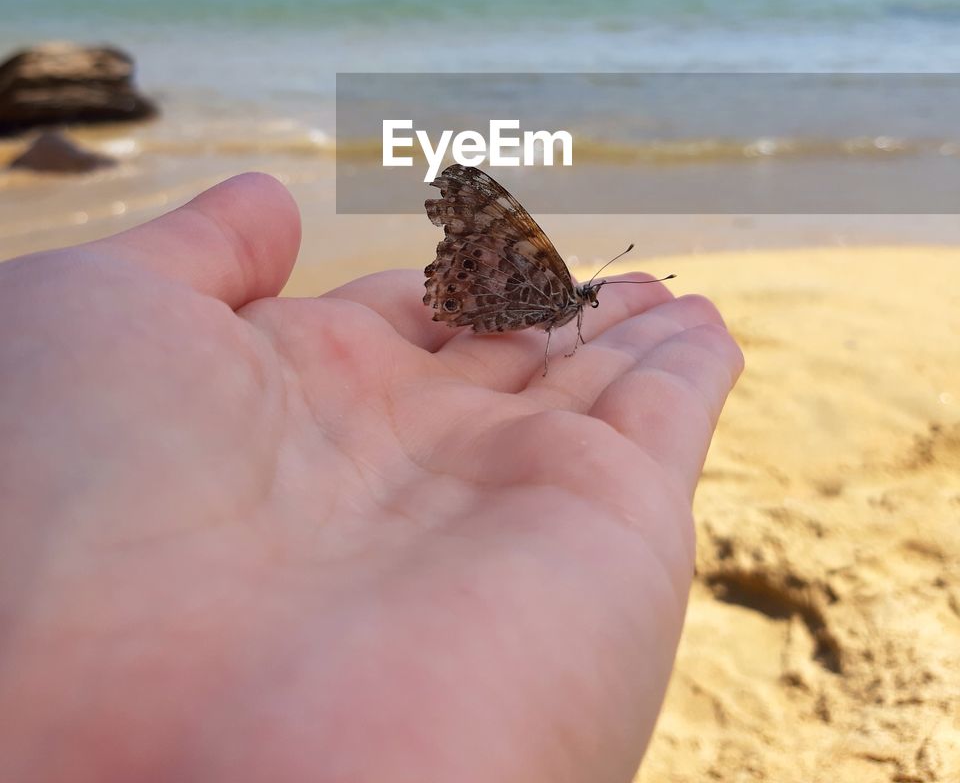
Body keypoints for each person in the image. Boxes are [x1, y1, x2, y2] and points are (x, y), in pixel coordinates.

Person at [0, 172, 742, 782]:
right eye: (586, 298)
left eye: (584, 300)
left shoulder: (563, 303)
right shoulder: (552, 292)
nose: (584, 304)